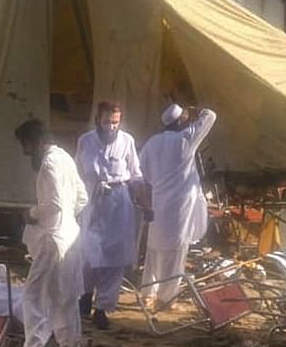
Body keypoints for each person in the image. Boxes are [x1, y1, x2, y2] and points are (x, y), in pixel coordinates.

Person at [16, 119, 88, 347]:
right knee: (64, 294)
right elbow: (82, 197)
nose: (25, 153)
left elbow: (54, 203)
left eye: (25, 146)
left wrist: (32, 214)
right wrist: (67, 218)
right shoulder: (66, 157)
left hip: (54, 237)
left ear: (35, 142)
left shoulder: (49, 162)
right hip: (70, 234)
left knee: (33, 296)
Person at [138, 104, 217, 307]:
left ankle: (147, 294)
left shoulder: (152, 142)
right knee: (175, 252)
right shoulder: (186, 138)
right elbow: (210, 116)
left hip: (158, 202)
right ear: (181, 120)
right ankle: (166, 298)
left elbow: (141, 170)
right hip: (180, 205)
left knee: (154, 250)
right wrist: (196, 108)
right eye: (185, 117)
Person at [75, 101, 141, 329]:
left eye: (115, 122)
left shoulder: (127, 141)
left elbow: (135, 173)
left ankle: (102, 307)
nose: (111, 127)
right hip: (92, 200)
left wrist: (144, 199)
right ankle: (84, 295)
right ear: (98, 121)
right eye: (107, 122)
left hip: (118, 202)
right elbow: (77, 172)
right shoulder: (86, 141)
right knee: (87, 252)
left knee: (114, 257)